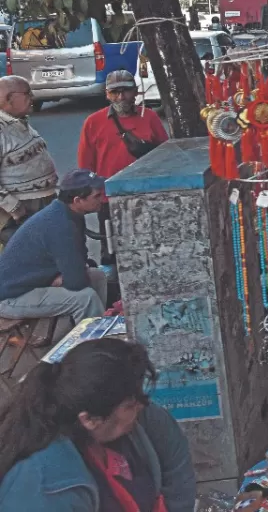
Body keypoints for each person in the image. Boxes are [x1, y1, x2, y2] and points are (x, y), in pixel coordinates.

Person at [0, 338, 196, 512]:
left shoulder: (139, 417)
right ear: (90, 420)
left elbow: (177, 470)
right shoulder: (47, 489)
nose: (141, 407)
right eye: (129, 405)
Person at [0, 170, 109, 327]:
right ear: (78, 200)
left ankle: (97, 327)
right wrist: (65, 276)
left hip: (34, 281)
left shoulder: (68, 213)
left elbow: (81, 260)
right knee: (86, 298)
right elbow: (76, 282)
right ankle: (94, 345)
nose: (102, 199)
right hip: (11, 297)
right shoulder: (60, 225)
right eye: (96, 196)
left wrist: (66, 275)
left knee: (98, 276)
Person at [0, 76, 58, 245]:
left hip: (42, 201)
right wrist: (15, 208)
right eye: (27, 93)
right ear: (9, 98)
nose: (32, 97)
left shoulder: (19, 122)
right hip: (21, 209)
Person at [78, 71, 169, 179]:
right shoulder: (92, 122)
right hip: (108, 189)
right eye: (114, 92)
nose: (121, 97)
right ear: (107, 94)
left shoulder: (150, 117)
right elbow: (85, 166)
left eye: (126, 91)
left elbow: (166, 154)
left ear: (135, 91)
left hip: (145, 185)